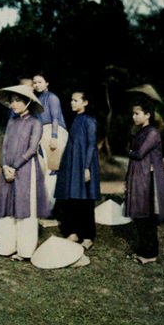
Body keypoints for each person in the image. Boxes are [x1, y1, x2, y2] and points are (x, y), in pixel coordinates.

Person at [0, 85, 50, 261]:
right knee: (7, 206)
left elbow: (32, 149)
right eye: (12, 101)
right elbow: (5, 146)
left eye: (18, 101)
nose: (14, 104)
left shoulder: (36, 123)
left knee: (25, 207)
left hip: (26, 169)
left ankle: (25, 251)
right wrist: (4, 166)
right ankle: (7, 247)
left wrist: (15, 167)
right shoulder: (11, 121)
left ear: (28, 102)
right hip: (7, 169)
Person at [124, 98, 164, 264]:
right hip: (140, 176)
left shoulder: (152, 132)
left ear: (148, 115)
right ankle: (142, 250)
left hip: (149, 179)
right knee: (140, 217)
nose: (134, 117)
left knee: (147, 217)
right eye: (133, 114)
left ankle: (151, 254)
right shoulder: (140, 131)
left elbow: (138, 153)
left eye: (137, 114)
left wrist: (130, 150)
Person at [54, 91, 101, 250]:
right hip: (72, 163)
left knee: (85, 201)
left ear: (85, 102)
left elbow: (91, 145)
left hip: (84, 164)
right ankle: (73, 232)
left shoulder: (90, 121)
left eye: (76, 100)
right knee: (72, 198)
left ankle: (88, 236)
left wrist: (87, 167)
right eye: (71, 100)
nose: (72, 103)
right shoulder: (76, 119)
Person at [32, 72, 67, 211]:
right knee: (43, 169)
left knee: (53, 169)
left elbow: (55, 118)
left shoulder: (52, 97)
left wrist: (54, 136)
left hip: (55, 132)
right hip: (41, 134)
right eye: (34, 82)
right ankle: (45, 206)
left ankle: (53, 207)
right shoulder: (35, 98)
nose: (37, 85)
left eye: (40, 82)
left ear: (47, 83)